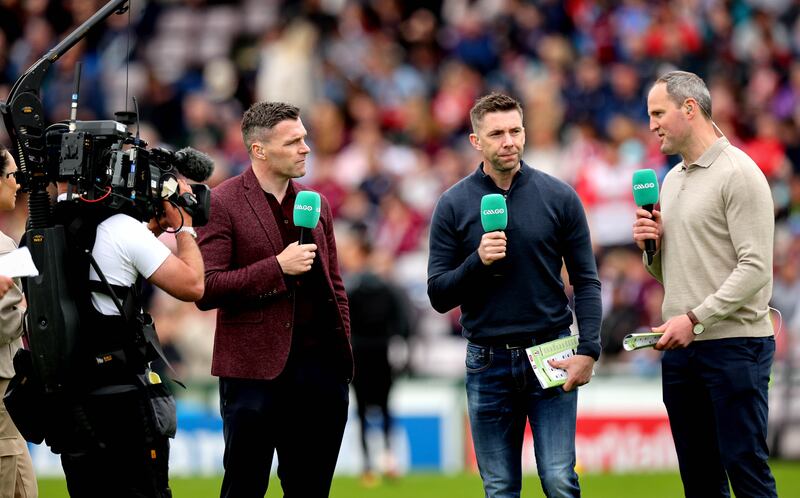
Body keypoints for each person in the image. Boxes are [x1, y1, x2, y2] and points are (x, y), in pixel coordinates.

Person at [427, 93, 602, 498]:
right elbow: (438, 294)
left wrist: (590, 349)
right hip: (487, 358)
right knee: (500, 487)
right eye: (497, 133)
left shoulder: (559, 196)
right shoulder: (452, 204)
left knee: (560, 478)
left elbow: (587, 281)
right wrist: (477, 261)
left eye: (515, 131)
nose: (509, 141)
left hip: (552, 350)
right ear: (476, 141)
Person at [196, 101, 352, 498]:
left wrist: (341, 355)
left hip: (319, 373)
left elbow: (335, 286)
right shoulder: (223, 202)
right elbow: (207, 287)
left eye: (305, 138)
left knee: (310, 490)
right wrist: (277, 267)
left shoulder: (317, 204)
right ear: (259, 150)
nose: (306, 148)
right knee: (244, 488)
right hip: (253, 374)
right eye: (294, 141)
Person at [633, 70, 778, 498]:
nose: (653, 123)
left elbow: (756, 269)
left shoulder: (740, 173)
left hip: (734, 345)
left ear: (690, 109)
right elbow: (672, 274)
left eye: (659, 113)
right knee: (698, 480)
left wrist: (694, 319)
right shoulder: (673, 179)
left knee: (746, 471)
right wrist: (652, 248)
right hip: (682, 348)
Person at [47, 174, 204, 497]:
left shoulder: (43, 227)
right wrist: (185, 226)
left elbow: (100, 259)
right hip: (121, 394)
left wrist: (150, 232)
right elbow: (192, 286)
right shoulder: (122, 227)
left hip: (70, 396)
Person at [339, 226, 410, 485]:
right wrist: (402, 349)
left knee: (361, 410)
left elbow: (341, 323)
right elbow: (403, 323)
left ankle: (368, 466)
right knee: (385, 408)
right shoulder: (387, 287)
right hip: (382, 352)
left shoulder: (351, 287)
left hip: (358, 353)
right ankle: (389, 460)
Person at [0, 143, 37, 497]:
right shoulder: (4, 248)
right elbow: (5, 326)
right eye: (12, 176)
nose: (18, 185)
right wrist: (32, 311)